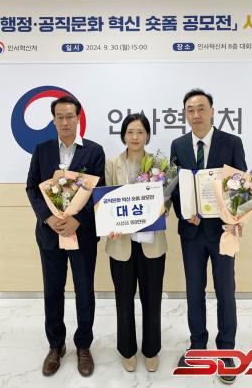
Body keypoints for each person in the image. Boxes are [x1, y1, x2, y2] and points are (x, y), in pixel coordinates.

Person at [170, 89, 247, 384]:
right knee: (194, 290)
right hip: (191, 232)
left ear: (213, 111)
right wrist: (184, 212)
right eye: (190, 110)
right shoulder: (178, 145)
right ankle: (198, 346)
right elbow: (174, 188)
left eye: (201, 108)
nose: (196, 114)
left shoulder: (231, 142)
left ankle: (226, 351)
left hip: (223, 231)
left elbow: (242, 186)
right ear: (185, 114)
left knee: (226, 290)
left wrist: (236, 218)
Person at [26, 95, 105, 378]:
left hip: (81, 235)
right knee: (53, 291)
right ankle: (55, 346)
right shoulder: (42, 150)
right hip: (50, 235)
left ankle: (83, 346)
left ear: (78, 118)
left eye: (70, 116)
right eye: (59, 117)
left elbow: (98, 193)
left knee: (84, 291)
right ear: (53, 120)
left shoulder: (94, 151)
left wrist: (77, 220)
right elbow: (32, 188)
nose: (65, 122)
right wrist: (48, 218)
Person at [105, 113, 167, 373]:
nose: (135, 137)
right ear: (123, 135)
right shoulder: (112, 163)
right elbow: (105, 201)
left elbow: (167, 200)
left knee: (152, 300)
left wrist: (161, 208)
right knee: (123, 300)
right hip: (121, 245)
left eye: (140, 132)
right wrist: (109, 224)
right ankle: (127, 350)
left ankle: (151, 350)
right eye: (130, 132)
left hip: (152, 245)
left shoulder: (160, 164)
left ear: (148, 135)